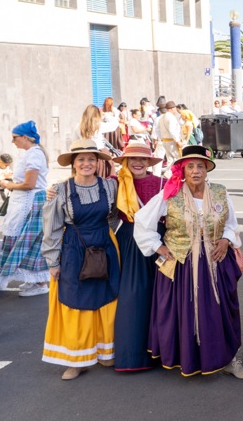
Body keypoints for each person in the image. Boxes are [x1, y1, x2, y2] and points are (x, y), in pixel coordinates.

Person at [133, 145, 243, 378]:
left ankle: (228, 359)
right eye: (190, 166)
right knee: (183, 314)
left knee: (220, 312)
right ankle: (185, 357)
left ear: (207, 169)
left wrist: (226, 239)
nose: (195, 171)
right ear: (182, 170)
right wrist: (158, 246)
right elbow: (143, 221)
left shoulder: (220, 192)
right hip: (182, 263)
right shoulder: (170, 194)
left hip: (215, 261)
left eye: (200, 166)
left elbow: (231, 223)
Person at [40, 140, 121, 380]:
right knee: (76, 301)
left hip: (105, 246)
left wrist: (109, 238)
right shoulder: (60, 190)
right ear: (73, 164)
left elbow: (116, 215)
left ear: (98, 163)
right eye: (81, 160)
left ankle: (106, 351)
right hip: (74, 250)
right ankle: (77, 359)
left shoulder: (110, 187)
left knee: (107, 298)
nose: (86, 163)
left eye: (91, 159)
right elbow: (52, 227)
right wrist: (53, 262)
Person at [111, 142, 164, 372]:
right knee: (133, 297)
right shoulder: (115, 183)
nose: (138, 163)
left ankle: (164, 353)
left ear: (149, 162)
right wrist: (53, 191)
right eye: (132, 159)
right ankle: (133, 356)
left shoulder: (163, 183)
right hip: (130, 240)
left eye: (143, 159)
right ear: (125, 162)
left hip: (159, 240)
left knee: (162, 296)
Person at [0, 121, 51, 296]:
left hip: (31, 202)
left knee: (30, 241)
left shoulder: (34, 154)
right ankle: (34, 280)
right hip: (27, 201)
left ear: (25, 137)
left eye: (14, 138)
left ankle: (40, 282)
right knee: (25, 241)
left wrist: (7, 184)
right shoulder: (32, 153)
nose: (13, 141)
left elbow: (29, 184)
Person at [153, 102, 185, 174]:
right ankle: (175, 175)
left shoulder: (161, 117)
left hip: (165, 141)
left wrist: (161, 138)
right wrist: (178, 141)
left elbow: (157, 129)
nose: (175, 110)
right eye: (174, 108)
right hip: (172, 141)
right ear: (172, 109)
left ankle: (169, 176)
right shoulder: (171, 117)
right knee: (178, 159)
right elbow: (172, 130)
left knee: (170, 160)